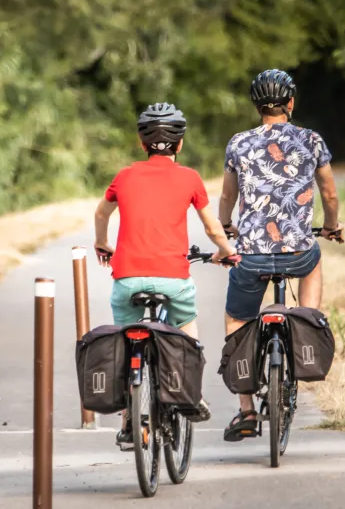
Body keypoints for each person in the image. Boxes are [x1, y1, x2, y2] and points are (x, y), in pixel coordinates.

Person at [94, 102, 238, 449]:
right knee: (186, 329)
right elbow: (212, 227)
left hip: (127, 279)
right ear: (181, 143)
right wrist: (226, 253)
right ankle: (190, 392)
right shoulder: (189, 178)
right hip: (173, 279)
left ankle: (129, 417)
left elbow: (102, 213)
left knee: (126, 337)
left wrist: (103, 245)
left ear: (142, 144)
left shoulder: (125, 176)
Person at [217, 69, 343, 442]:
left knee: (237, 317)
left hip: (251, 255)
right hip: (298, 252)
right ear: (290, 102)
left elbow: (227, 197)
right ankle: (306, 324)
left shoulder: (238, 143)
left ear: (257, 106)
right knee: (314, 259)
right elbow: (329, 194)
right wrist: (331, 226)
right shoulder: (311, 140)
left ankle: (246, 411)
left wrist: (226, 227)